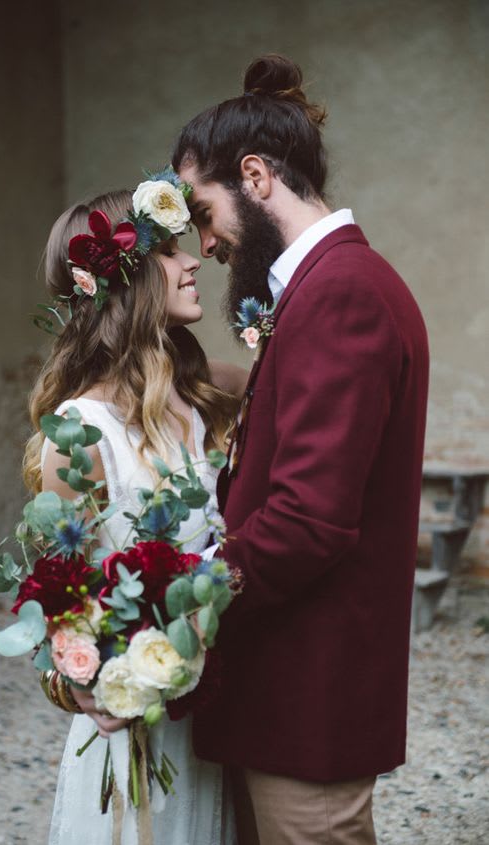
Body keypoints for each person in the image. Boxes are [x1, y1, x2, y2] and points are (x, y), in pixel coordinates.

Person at [171, 53, 430, 844]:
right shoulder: (325, 286)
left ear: (255, 176)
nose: (205, 242)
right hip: (289, 688)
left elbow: (310, 519)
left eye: (203, 210)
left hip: (311, 696)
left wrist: (182, 600)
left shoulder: (340, 291)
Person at [23, 186, 247, 844]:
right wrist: (85, 679)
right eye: (172, 252)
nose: (192, 263)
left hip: (215, 719)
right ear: (126, 281)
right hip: (134, 734)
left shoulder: (217, 393)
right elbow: (58, 603)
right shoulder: (80, 433)